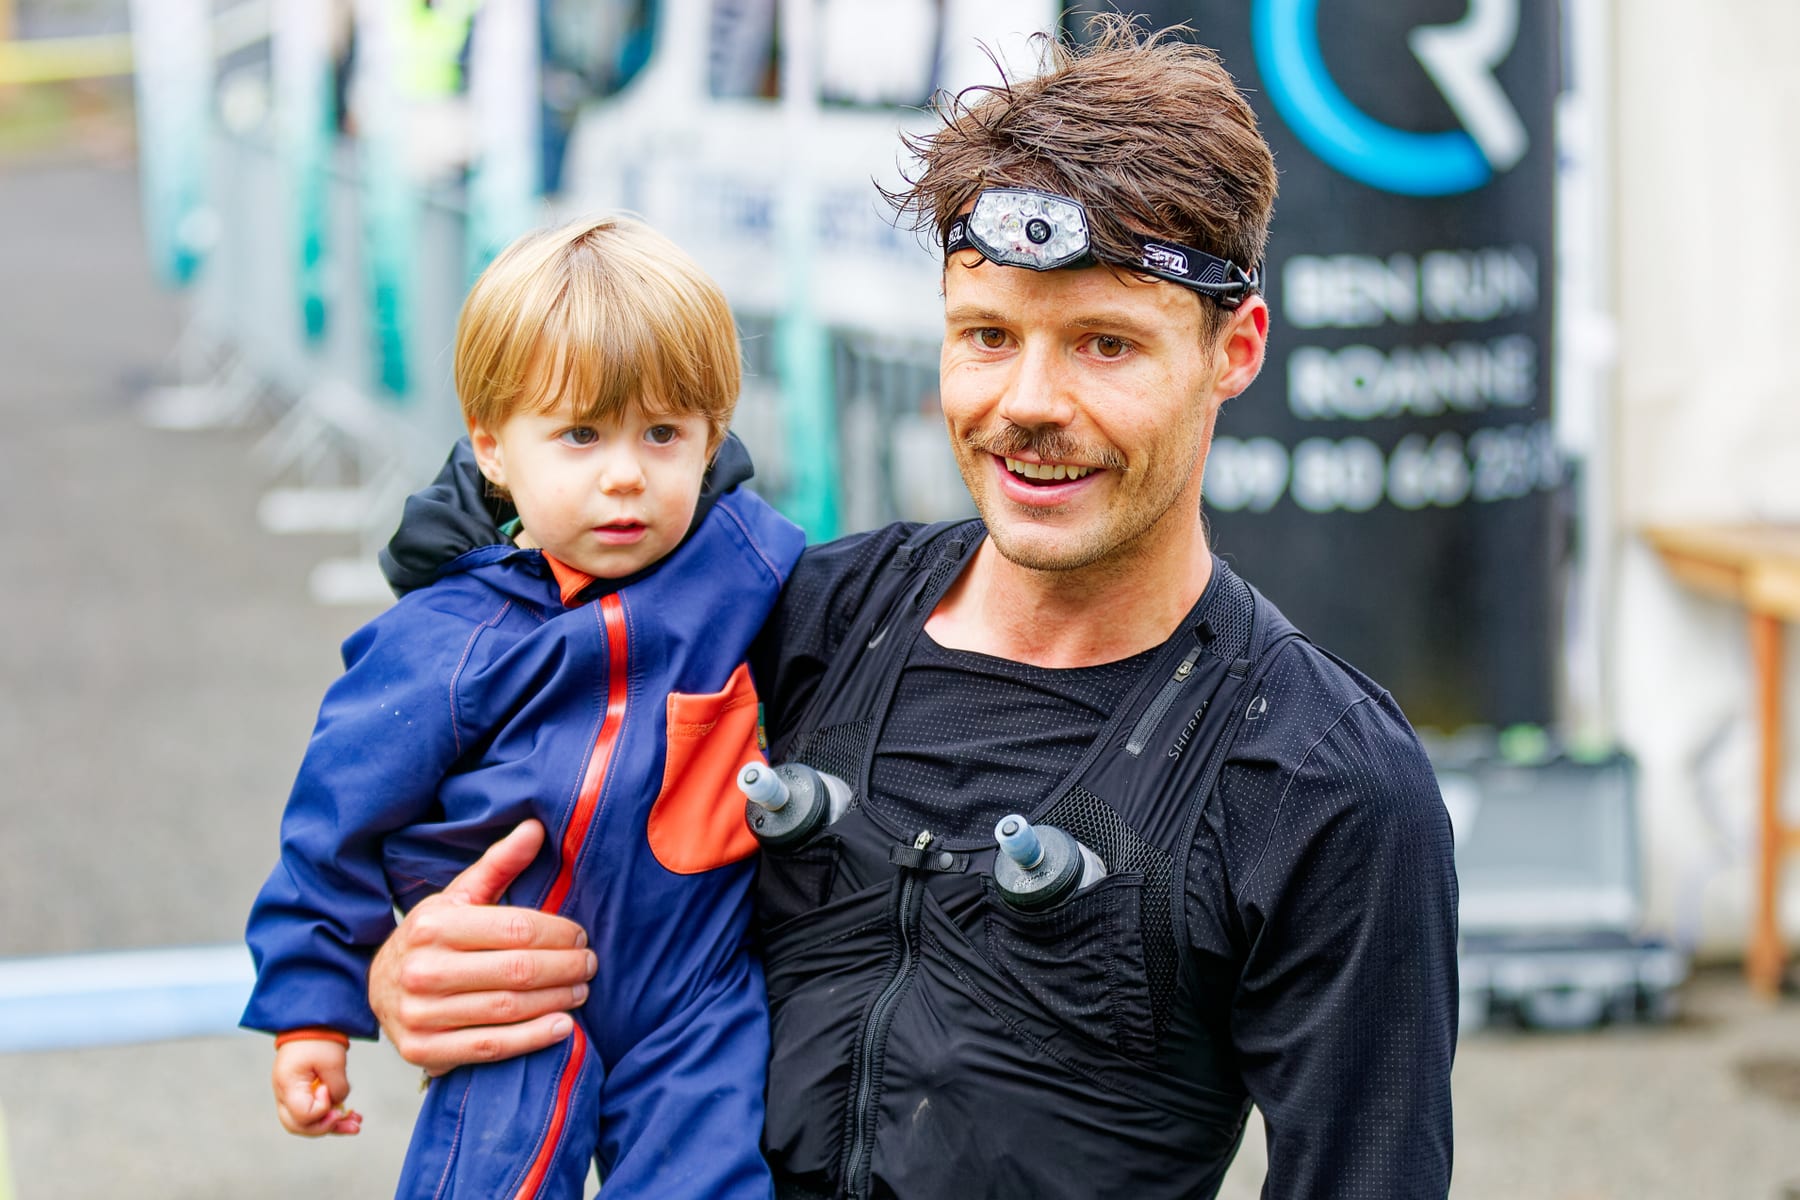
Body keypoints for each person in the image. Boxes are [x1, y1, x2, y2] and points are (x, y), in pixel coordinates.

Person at [366, 19, 1459, 1199]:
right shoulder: (797, 624)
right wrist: (415, 968)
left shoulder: (1319, 781)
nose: (1029, 404)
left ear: (1232, 351)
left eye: (1105, 344)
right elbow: (526, 789)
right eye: (988, 336)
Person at [241, 214, 804, 1199]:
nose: (625, 473)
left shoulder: (752, 568)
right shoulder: (445, 641)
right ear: (493, 450)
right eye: (580, 434)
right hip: (513, 990)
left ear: (715, 435)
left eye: (664, 433)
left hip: (696, 997)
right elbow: (335, 823)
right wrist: (311, 1013)